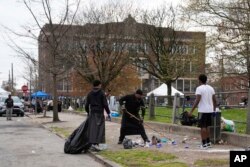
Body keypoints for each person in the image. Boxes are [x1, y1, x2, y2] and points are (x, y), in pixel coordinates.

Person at [188, 74, 216, 149]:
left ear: (199, 80)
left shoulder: (199, 88)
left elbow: (197, 100)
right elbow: (214, 100)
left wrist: (191, 111)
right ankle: (208, 142)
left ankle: (204, 143)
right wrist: (214, 110)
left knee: (202, 127)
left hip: (203, 110)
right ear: (206, 80)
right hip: (210, 110)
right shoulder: (211, 88)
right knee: (207, 126)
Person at [85, 80, 111, 150]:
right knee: (100, 128)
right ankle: (97, 143)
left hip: (92, 112)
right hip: (99, 112)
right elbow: (105, 104)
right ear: (99, 85)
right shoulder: (101, 93)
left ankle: (92, 143)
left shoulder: (90, 93)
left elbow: (86, 105)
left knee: (93, 128)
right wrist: (108, 113)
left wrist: (88, 112)